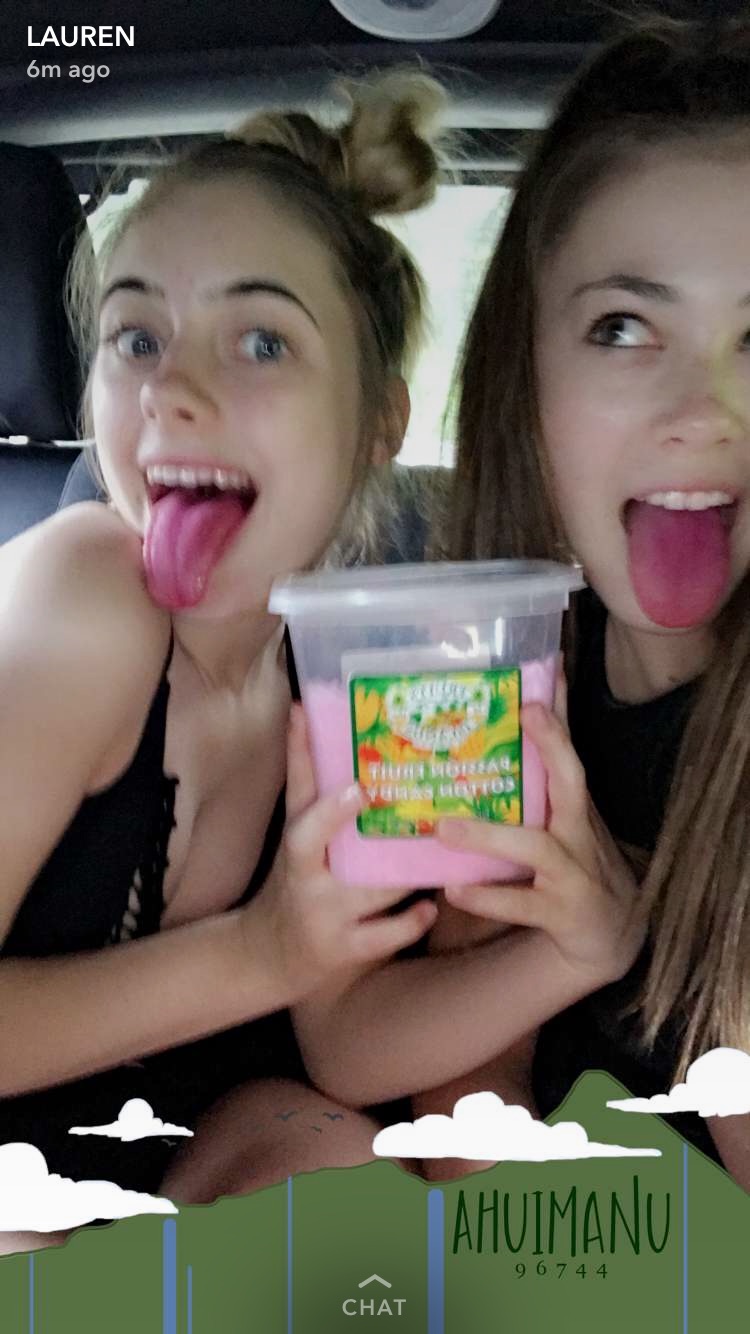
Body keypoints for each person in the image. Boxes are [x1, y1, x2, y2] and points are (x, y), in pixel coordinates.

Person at [293, 15, 750, 1191]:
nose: (702, 408)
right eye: (623, 327)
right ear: (525, 369)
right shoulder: (510, 664)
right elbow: (450, 1087)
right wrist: (587, 945)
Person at [0, 69, 446, 1249]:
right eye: (136, 336)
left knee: (345, 1169)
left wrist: (589, 929)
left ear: (379, 422)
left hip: (150, 1168)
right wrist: (259, 951)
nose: (173, 390)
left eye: (260, 341)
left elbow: (346, 1045)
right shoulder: (81, 594)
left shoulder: (345, 675)